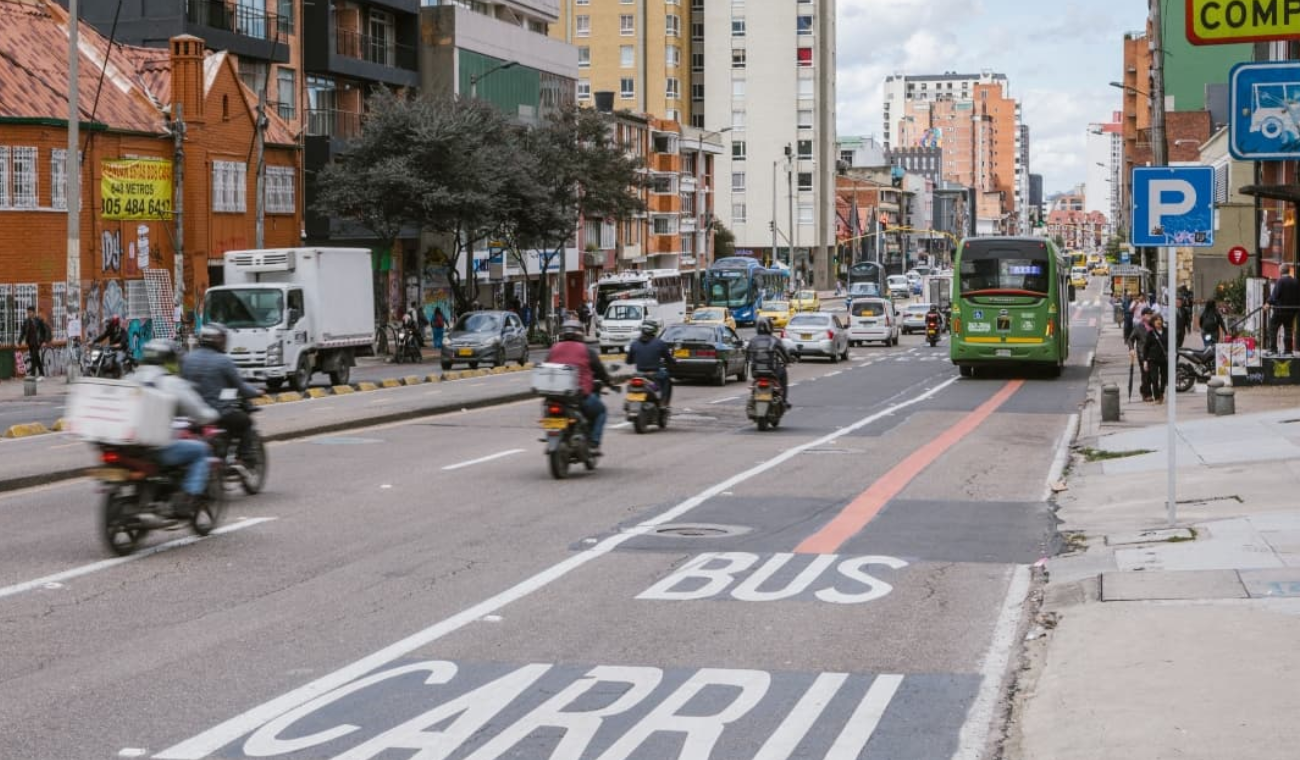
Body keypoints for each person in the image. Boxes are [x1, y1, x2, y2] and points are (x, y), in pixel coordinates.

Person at [133, 339, 219, 521]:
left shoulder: (130, 377)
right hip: (156, 448)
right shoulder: (169, 382)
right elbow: (198, 412)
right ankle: (188, 496)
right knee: (201, 451)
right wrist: (212, 415)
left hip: (128, 446)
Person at [181, 323, 263, 462]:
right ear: (219, 340)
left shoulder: (187, 359)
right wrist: (257, 392)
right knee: (246, 422)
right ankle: (244, 457)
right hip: (217, 413)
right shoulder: (223, 361)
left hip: (192, 414)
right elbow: (241, 387)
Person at [545, 319, 617, 452]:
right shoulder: (587, 350)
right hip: (578, 396)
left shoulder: (554, 349)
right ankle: (594, 443)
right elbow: (600, 371)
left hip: (554, 395)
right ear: (580, 334)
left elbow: (545, 367)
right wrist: (609, 382)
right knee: (601, 412)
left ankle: (552, 434)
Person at [625, 319, 676, 407]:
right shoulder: (660, 343)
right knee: (667, 378)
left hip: (639, 374)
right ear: (654, 330)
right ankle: (663, 403)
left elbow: (628, 361)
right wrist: (673, 363)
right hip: (655, 373)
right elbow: (669, 359)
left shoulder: (634, 344)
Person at [746, 318, 792, 407]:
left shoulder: (753, 341)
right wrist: (788, 360)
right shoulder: (775, 340)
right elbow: (785, 353)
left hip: (756, 372)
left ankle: (754, 399)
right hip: (772, 371)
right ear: (770, 327)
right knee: (784, 372)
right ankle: (784, 400)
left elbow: (747, 355)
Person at [1267, 265, 1300, 355]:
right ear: (1288, 271)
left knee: (1273, 328)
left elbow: (1275, 296)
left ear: (1281, 271)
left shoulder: (1280, 281)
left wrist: (1268, 303)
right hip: (1291, 311)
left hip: (1280, 310)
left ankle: (1273, 349)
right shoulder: (1296, 282)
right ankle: (1288, 350)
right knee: (1288, 330)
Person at [1142, 313, 1170, 404]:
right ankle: (1157, 397)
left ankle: (1161, 392)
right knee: (1154, 378)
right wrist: (1145, 361)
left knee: (1164, 378)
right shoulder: (1150, 333)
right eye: (1156, 320)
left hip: (1164, 359)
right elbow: (1146, 348)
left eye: (1160, 319)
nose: (1159, 321)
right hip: (1153, 359)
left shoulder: (1167, 331)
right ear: (1153, 322)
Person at [1128, 306, 1154, 402]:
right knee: (1146, 374)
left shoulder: (1154, 326)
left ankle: (1143, 389)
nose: (1150, 317)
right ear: (1143, 316)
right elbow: (1130, 339)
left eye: (1151, 315)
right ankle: (1147, 394)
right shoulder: (1139, 327)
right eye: (1148, 315)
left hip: (1153, 353)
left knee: (1153, 374)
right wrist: (1131, 349)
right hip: (1142, 354)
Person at [20, 306, 49, 380]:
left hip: (37, 342)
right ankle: (42, 374)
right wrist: (20, 340)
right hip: (30, 342)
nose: (28, 314)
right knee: (36, 358)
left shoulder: (39, 320)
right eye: (28, 312)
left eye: (30, 312)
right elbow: (23, 331)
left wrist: (44, 341)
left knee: (34, 356)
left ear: (33, 312)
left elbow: (44, 331)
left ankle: (32, 375)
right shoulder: (26, 321)